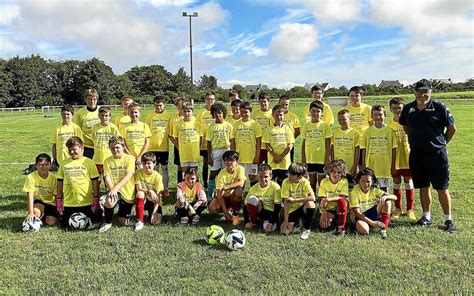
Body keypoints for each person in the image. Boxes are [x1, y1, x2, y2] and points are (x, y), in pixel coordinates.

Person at [399, 79, 457, 233]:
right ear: (415, 92)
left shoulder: (439, 107)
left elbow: (452, 128)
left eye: (426, 91)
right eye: (419, 91)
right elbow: (405, 126)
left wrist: (442, 142)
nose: (422, 94)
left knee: (441, 187)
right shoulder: (408, 109)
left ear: (431, 92)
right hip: (417, 154)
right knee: (423, 186)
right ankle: (426, 217)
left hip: (437, 154)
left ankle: (448, 220)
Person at [56, 137, 101, 229]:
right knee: (65, 224)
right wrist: (59, 199)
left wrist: (96, 198)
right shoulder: (64, 163)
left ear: (82, 148)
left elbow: (95, 181)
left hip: (86, 202)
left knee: (94, 221)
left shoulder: (89, 162)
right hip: (69, 203)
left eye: (74, 149)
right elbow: (59, 182)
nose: (71, 152)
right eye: (69, 150)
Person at [100, 136, 136, 233]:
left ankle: (122, 208)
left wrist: (115, 189)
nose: (115, 150)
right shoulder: (107, 161)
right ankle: (107, 222)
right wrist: (112, 190)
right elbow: (107, 177)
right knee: (110, 200)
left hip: (127, 192)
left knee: (123, 222)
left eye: (117, 147)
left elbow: (128, 176)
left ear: (123, 147)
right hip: (114, 189)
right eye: (112, 148)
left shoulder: (130, 159)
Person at [349, 168, 397, 239]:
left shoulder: (373, 190)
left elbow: (395, 197)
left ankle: (383, 230)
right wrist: (372, 223)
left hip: (373, 213)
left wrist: (385, 197)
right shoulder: (354, 192)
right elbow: (357, 213)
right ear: (358, 181)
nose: (365, 184)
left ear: (372, 182)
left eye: (368, 181)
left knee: (387, 201)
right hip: (360, 216)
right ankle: (370, 225)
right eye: (363, 181)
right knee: (365, 231)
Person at [388, 97, 415, 220]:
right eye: (394, 108)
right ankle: (398, 208)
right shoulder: (388, 126)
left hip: (408, 158)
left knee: (409, 183)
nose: (397, 110)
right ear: (390, 109)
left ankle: (410, 209)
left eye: (400, 108)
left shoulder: (410, 122)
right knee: (397, 183)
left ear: (404, 108)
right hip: (395, 160)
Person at [359, 105, 397, 192]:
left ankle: (385, 205)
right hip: (371, 166)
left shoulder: (390, 131)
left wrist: (393, 165)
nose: (378, 117)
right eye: (375, 115)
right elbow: (364, 149)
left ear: (385, 115)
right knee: (372, 189)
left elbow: (394, 149)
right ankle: (374, 206)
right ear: (371, 116)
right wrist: (364, 164)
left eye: (380, 114)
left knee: (384, 190)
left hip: (385, 166)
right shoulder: (367, 132)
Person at [208, 150, 246, 225]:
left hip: (233, 196)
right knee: (212, 208)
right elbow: (219, 194)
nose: (228, 163)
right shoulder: (221, 174)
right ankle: (227, 212)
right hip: (224, 197)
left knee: (239, 191)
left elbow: (241, 183)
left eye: (231, 160)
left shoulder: (240, 169)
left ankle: (235, 214)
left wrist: (227, 187)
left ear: (236, 161)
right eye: (226, 160)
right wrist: (225, 213)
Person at [145, 95, 173, 197]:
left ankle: (165, 189)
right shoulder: (149, 116)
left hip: (164, 148)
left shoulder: (169, 116)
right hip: (152, 148)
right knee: (155, 169)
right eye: (157, 105)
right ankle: (156, 188)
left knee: (165, 168)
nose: (159, 107)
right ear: (154, 105)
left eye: (160, 105)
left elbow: (171, 132)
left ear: (164, 105)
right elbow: (147, 132)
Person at [301, 100, 331, 191]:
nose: (315, 113)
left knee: (321, 182)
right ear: (309, 111)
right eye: (313, 111)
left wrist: (327, 159)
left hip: (321, 159)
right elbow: (303, 142)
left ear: (322, 113)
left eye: (318, 111)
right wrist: (303, 158)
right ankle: (313, 198)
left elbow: (328, 143)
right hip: (310, 158)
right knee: (312, 181)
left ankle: (321, 199)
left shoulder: (325, 126)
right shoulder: (306, 125)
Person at [280, 163, 316, 240]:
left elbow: (313, 198)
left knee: (311, 204)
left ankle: (306, 228)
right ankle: (297, 223)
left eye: (291, 175)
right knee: (284, 232)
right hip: (291, 210)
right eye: (288, 173)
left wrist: (295, 200)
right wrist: (286, 220)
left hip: (303, 208)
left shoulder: (305, 182)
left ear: (300, 176)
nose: (288, 176)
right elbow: (286, 202)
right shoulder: (285, 182)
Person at [231, 101, 262, 187]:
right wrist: (233, 156)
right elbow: (233, 141)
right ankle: (240, 196)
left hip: (251, 157)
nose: (244, 114)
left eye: (246, 112)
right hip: (239, 157)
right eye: (242, 112)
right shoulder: (236, 125)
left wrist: (257, 156)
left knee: (252, 177)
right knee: (240, 177)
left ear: (250, 112)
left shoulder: (255, 125)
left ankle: (253, 196)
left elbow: (259, 142)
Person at [243, 164, 281, 233]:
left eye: (266, 177)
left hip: (272, 213)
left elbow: (278, 207)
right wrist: (246, 222)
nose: (263, 179)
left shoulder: (276, 187)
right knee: (252, 199)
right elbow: (245, 205)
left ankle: (265, 222)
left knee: (268, 229)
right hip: (261, 212)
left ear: (271, 176)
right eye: (261, 176)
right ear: (258, 176)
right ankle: (254, 221)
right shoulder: (253, 188)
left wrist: (272, 222)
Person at [206, 103, 233, 199]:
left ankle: (227, 194)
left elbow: (232, 140)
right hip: (216, 151)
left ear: (223, 113)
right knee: (213, 173)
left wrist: (232, 154)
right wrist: (209, 156)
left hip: (226, 150)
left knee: (227, 172)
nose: (218, 115)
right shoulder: (211, 126)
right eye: (215, 113)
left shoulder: (229, 125)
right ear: (213, 114)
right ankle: (209, 196)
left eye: (220, 113)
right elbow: (208, 143)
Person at [22, 153, 58, 226]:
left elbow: (57, 195)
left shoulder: (54, 178)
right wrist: (30, 212)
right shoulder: (31, 177)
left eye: (46, 164)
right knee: (35, 213)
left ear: (50, 165)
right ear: (36, 165)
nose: (44, 167)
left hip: (51, 203)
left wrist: (59, 208)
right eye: (41, 164)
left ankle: (45, 215)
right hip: (39, 202)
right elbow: (30, 195)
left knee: (50, 222)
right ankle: (37, 214)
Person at [263, 104, 295, 185]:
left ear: (284, 115)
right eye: (276, 115)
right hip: (272, 161)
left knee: (284, 183)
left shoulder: (287, 129)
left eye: (280, 115)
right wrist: (275, 156)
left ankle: (283, 197)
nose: (278, 117)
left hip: (284, 162)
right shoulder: (268, 129)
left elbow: (290, 145)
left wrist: (281, 157)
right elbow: (267, 145)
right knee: (271, 183)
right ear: (273, 115)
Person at [318, 160, 349, 236]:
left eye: (339, 172)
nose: (336, 174)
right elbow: (322, 200)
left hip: (339, 208)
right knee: (324, 226)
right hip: (328, 209)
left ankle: (341, 226)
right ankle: (334, 218)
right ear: (329, 172)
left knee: (342, 201)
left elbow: (342, 198)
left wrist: (329, 199)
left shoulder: (344, 181)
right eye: (334, 171)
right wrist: (324, 214)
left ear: (342, 173)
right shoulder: (324, 181)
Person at [134, 152, 164, 231]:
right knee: (139, 193)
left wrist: (155, 213)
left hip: (153, 202)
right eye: (144, 163)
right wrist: (149, 191)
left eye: (148, 163)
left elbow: (157, 199)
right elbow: (138, 188)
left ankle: (151, 214)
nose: (146, 166)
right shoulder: (138, 172)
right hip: (143, 199)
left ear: (154, 163)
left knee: (156, 221)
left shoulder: (158, 177)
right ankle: (139, 221)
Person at [329, 109, 360, 185]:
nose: (341, 121)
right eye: (339, 120)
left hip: (350, 166)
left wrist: (355, 166)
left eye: (344, 119)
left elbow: (357, 151)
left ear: (349, 119)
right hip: (337, 168)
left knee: (350, 187)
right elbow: (332, 149)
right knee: (338, 186)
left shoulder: (355, 133)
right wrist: (332, 163)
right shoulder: (334, 133)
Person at [172, 104, 201, 176]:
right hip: (184, 153)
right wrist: (179, 147)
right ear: (182, 112)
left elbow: (201, 137)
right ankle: (184, 187)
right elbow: (176, 138)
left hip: (194, 152)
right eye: (184, 111)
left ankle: (195, 187)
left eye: (189, 111)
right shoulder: (178, 124)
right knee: (184, 173)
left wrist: (198, 147)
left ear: (192, 112)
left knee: (194, 173)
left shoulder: (197, 123)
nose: (186, 113)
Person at [120, 102, 151, 167]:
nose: (134, 114)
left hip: (142, 157)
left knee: (141, 175)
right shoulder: (123, 127)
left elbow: (147, 143)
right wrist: (130, 155)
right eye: (131, 112)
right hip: (128, 156)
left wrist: (140, 156)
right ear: (128, 113)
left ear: (139, 113)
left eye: (136, 112)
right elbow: (123, 143)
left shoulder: (144, 126)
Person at [91, 106, 119, 177]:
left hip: (110, 157)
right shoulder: (95, 127)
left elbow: (117, 142)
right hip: (98, 158)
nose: (104, 117)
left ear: (110, 116)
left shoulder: (113, 128)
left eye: (106, 115)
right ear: (99, 116)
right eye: (102, 115)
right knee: (97, 179)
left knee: (109, 178)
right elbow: (93, 138)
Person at [271, 95, 300, 162]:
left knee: (289, 162)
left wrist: (291, 139)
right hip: (276, 143)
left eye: (286, 104)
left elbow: (298, 130)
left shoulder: (293, 116)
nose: (284, 106)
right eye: (282, 104)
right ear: (278, 103)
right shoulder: (274, 116)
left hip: (289, 145)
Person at [196, 91, 216, 188]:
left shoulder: (216, 111)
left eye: (212, 99)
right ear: (205, 100)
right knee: (205, 162)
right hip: (204, 143)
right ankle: (205, 183)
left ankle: (214, 183)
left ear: (214, 100)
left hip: (216, 143)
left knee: (215, 164)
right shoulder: (201, 113)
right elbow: (197, 128)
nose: (210, 101)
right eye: (208, 99)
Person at [73, 89, 100, 159]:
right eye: (89, 99)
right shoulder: (80, 113)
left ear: (97, 99)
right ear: (85, 100)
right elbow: (77, 131)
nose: (92, 101)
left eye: (94, 99)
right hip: (87, 147)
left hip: (100, 146)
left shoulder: (102, 111)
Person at [169, 97, 188, 183]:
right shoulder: (173, 119)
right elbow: (170, 135)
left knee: (189, 165)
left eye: (183, 104)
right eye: (179, 104)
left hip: (189, 146)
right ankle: (180, 184)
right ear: (176, 106)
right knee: (180, 166)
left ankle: (191, 184)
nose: (181, 106)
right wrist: (178, 146)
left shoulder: (190, 117)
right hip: (178, 146)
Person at [252, 92, 272, 164]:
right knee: (257, 167)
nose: (263, 104)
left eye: (265, 101)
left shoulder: (273, 113)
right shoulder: (255, 114)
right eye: (261, 102)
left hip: (270, 145)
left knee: (270, 167)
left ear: (268, 101)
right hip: (258, 146)